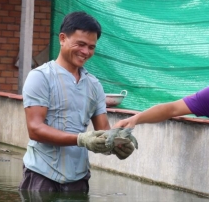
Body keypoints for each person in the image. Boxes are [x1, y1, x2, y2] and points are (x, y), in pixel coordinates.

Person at [19, 11, 135, 192]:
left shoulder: (94, 85)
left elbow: (103, 131)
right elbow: (35, 129)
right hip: (41, 175)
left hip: (79, 179)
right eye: (81, 44)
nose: (86, 52)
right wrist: (81, 139)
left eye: (91, 47)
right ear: (63, 39)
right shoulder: (40, 77)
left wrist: (117, 145)